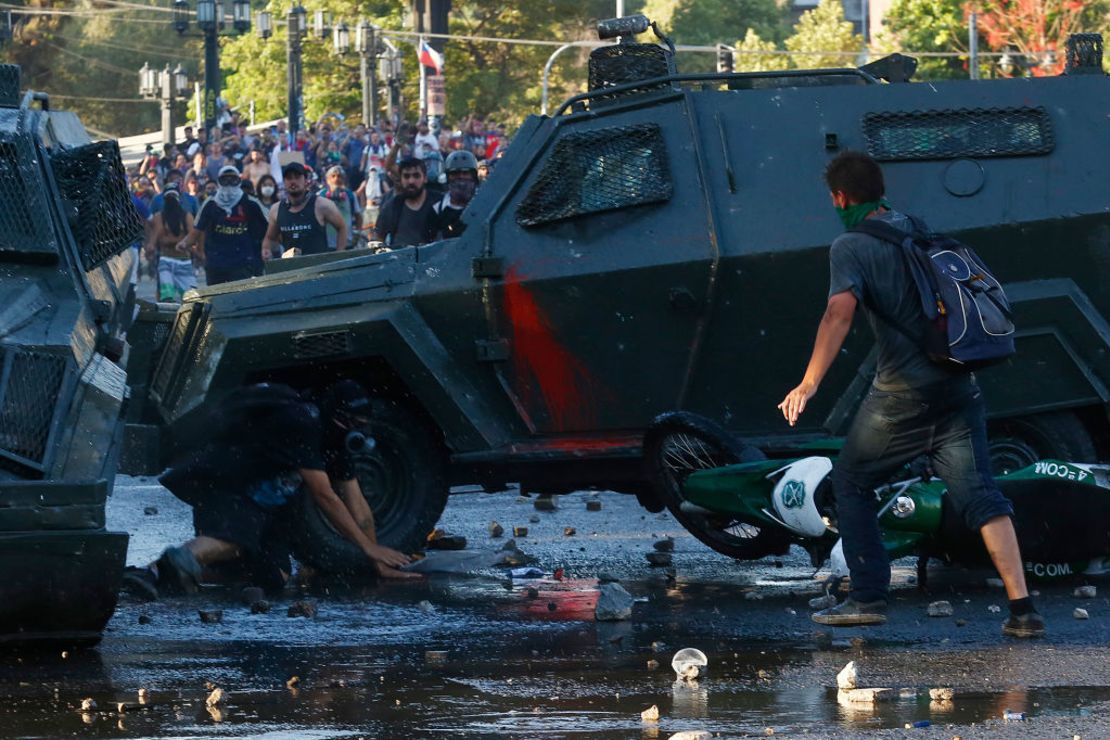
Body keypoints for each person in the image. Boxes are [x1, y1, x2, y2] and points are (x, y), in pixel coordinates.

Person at [778, 151, 1043, 638]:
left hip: (902, 393)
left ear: (839, 197)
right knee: (982, 496)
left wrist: (809, 381)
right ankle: (1023, 610)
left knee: (852, 481)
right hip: (958, 383)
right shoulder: (916, 227)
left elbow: (838, 313)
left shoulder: (850, 245)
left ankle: (868, 596)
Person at [120, 380, 419, 599]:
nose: (358, 431)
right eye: (353, 422)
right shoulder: (303, 422)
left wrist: (377, 560)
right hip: (229, 483)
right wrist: (368, 547)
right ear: (335, 414)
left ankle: (172, 573)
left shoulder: (335, 441)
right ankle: (156, 570)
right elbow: (324, 495)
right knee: (232, 540)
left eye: (363, 424)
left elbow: (357, 502)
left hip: (266, 503)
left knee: (275, 577)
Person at [178, 165, 269, 285]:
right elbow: (197, 229)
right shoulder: (210, 203)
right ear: (219, 181)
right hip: (216, 264)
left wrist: (267, 246)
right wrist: (184, 243)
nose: (229, 183)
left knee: (240, 298)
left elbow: (271, 224)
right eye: (225, 180)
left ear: (239, 181)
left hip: (243, 262)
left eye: (233, 179)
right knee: (216, 299)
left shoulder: (250, 202)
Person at [263, 161, 347, 259]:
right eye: (289, 178)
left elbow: (342, 227)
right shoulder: (276, 210)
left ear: (306, 180)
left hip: (319, 269)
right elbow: (270, 237)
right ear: (284, 182)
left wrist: (339, 255)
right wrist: (266, 250)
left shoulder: (322, 205)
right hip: (292, 270)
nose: (293, 181)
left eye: (297, 177)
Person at [144, 182, 197, 302]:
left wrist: (191, 247)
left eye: (173, 197)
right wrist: (150, 246)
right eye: (169, 197)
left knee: (191, 297)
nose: (171, 201)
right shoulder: (159, 217)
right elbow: (155, 236)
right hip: (166, 259)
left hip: (184, 260)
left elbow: (192, 235)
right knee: (167, 295)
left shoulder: (187, 216)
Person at [373, 157, 438, 248]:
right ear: (401, 179)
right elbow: (378, 238)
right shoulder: (392, 206)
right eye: (406, 176)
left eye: (416, 176)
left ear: (425, 178)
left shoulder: (439, 203)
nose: (411, 181)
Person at [432, 150, 479, 239]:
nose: (461, 177)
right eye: (455, 173)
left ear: (474, 176)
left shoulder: (484, 203)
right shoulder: (437, 209)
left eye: (465, 173)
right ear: (448, 177)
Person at [319, 165, 361, 251]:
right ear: (327, 180)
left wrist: (357, 233)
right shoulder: (320, 197)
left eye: (339, 176)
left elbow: (358, 216)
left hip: (347, 243)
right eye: (333, 176)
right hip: (327, 244)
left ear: (344, 180)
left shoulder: (351, 196)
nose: (336, 179)